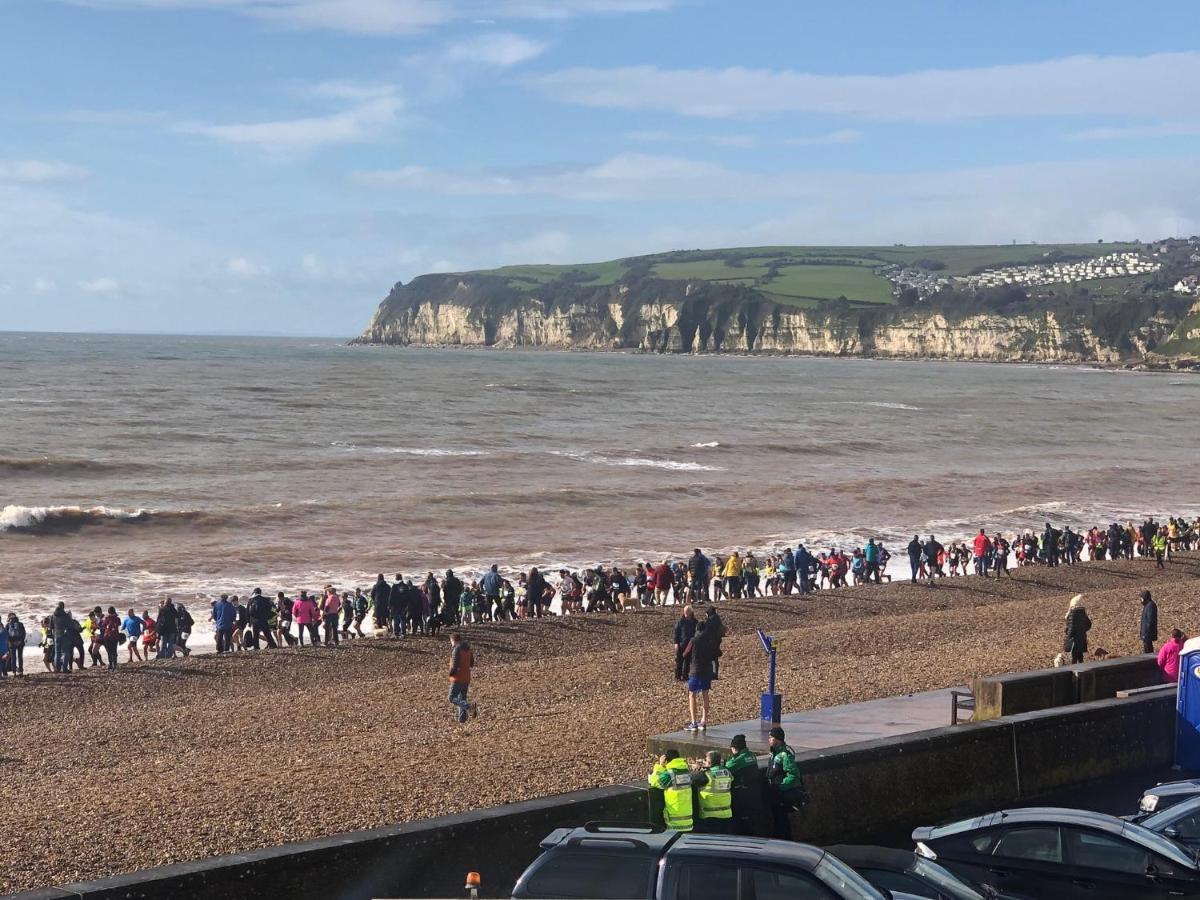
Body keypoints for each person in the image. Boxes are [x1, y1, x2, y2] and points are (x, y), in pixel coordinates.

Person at [766, 726, 805, 840]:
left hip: (781, 796)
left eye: (771, 737)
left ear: (777, 739)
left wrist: (781, 787)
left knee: (782, 823)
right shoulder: (774, 753)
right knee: (779, 821)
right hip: (775, 796)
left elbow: (793, 775)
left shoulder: (785, 755)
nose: (769, 740)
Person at [725, 734, 764, 837]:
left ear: (734, 748)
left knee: (742, 826)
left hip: (743, 797)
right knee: (752, 823)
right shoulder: (751, 755)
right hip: (754, 795)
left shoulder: (738, 760)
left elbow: (726, 768)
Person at [648, 749, 694, 832]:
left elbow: (654, 782)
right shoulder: (686, 772)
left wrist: (660, 766)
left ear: (666, 760)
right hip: (688, 818)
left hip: (675, 821)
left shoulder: (670, 774)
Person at [684, 620, 716, 732]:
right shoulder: (709, 640)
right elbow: (715, 653)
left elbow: (685, 653)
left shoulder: (693, 640)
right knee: (705, 694)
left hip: (695, 670)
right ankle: (703, 721)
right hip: (707, 670)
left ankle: (693, 722)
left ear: (697, 629)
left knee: (692, 695)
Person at [691, 750, 733, 834]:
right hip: (726, 814)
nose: (704, 762)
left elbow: (692, 779)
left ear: (709, 762)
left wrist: (696, 770)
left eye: (705, 760)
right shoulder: (727, 772)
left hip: (709, 816)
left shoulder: (706, 774)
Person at [447, 633, 478, 723]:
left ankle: (469, 707)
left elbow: (455, 665)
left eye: (451, 642)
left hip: (458, 677)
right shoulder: (468, 649)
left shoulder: (456, 649)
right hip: (466, 676)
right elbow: (471, 663)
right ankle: (462, 719)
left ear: (453, 640)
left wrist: (450, 673)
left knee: (451, 697)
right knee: (462, 698)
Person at [1063, 594, 1091, 665]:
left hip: (1074, 640)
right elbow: (1089, 624)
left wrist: (1068, 637)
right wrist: (1082, 630)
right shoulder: (1083, 613)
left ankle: (1074, 674)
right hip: (1082, 638)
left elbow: (1071, 628)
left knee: (1074, 658)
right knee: (1080, 657)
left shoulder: (1073, 613)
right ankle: (1082, 673)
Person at [673, 605, 696, 682]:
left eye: (688, 611)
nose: (686, 613)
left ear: (691, 612)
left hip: (691, 643)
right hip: (681, 643)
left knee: (687, 661)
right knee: (679, 661)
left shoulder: (695, 622)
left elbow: (697, 633)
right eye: (685, 611)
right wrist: (676, 643)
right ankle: (677, 676)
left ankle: (685, 676)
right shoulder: (680, 621)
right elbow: (676, 633)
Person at [1140, 590, 1159, 655]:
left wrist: (1146, 633)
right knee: (1147, 649)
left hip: (1147, 634)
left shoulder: (1150, 605)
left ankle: (1149, 663)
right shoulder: (1148, 605)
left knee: (1148, 650)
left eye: (1142, 598)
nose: (1141, 600)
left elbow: (1150, 621)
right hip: (1146, 633)